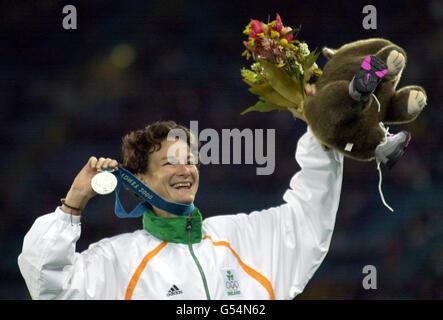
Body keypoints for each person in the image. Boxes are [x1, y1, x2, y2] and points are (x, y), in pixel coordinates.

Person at [18, 84, 344, 300]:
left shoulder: (243, 237)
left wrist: (321, 132)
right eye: (170, 163)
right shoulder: (117, 261)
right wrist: (74, 203)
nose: (185, 170)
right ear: (141, 180)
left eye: (190, 161)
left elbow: (310, 216)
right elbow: (50, 287)